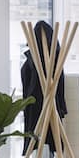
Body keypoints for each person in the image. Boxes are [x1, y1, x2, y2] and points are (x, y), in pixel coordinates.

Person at [21, 20, 67, 150]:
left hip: (45, 104)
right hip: (41, 105)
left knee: (48, 136)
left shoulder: (53, 60)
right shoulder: (34, 61)